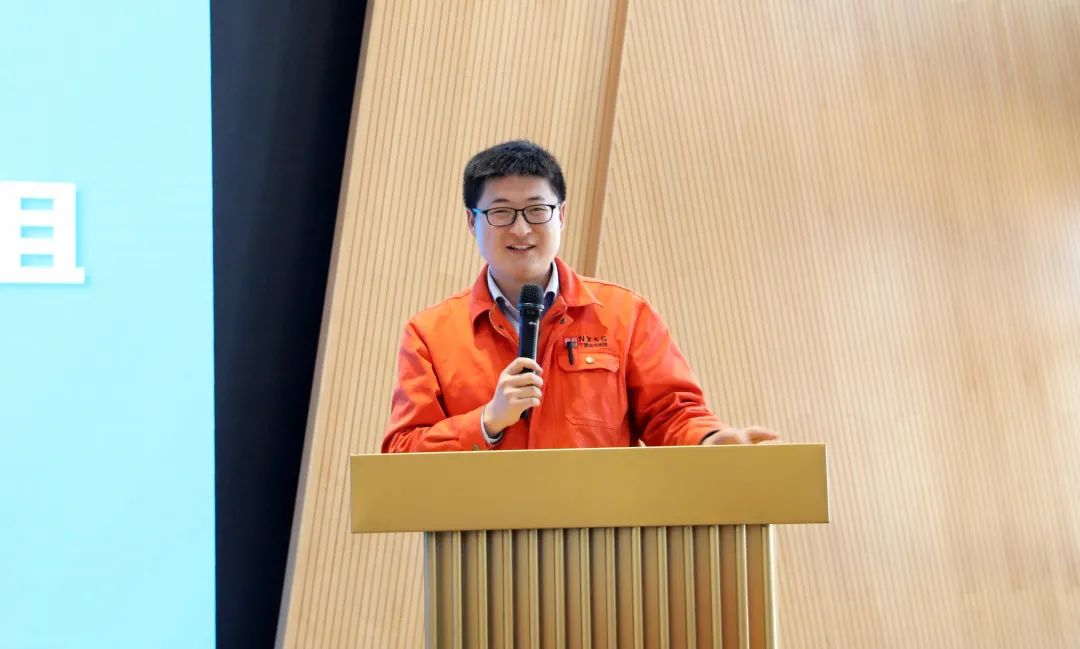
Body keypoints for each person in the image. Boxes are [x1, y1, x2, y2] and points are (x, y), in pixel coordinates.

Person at [382, 140, 778, 453]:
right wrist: (487, 421)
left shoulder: (625, 315)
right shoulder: (430, 333)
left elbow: (672, 413)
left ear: (562, 215)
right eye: (501, 213)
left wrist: (709, 441)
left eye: (537, 210)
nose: (521, 230)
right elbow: (402, 454)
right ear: (472, 221)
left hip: (597, 528)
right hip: (481, 531)